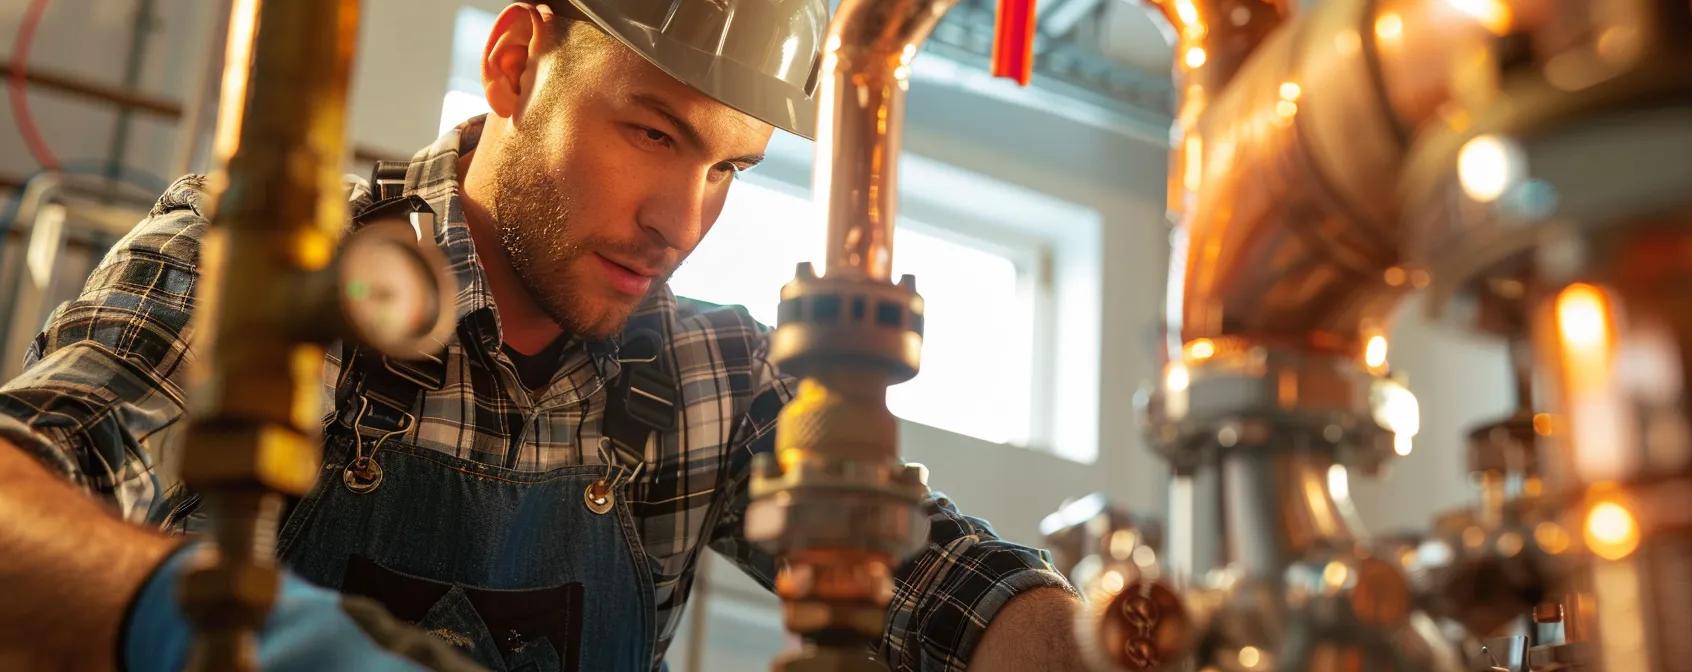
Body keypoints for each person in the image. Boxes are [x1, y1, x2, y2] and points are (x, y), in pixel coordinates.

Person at [0, 1, 1090, 671]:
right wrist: (190, 629)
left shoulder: (713, 379)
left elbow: (952, 589)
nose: (683, 220)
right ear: (516, 60)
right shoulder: (272, 255)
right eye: (651, 132)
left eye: (727, 168)